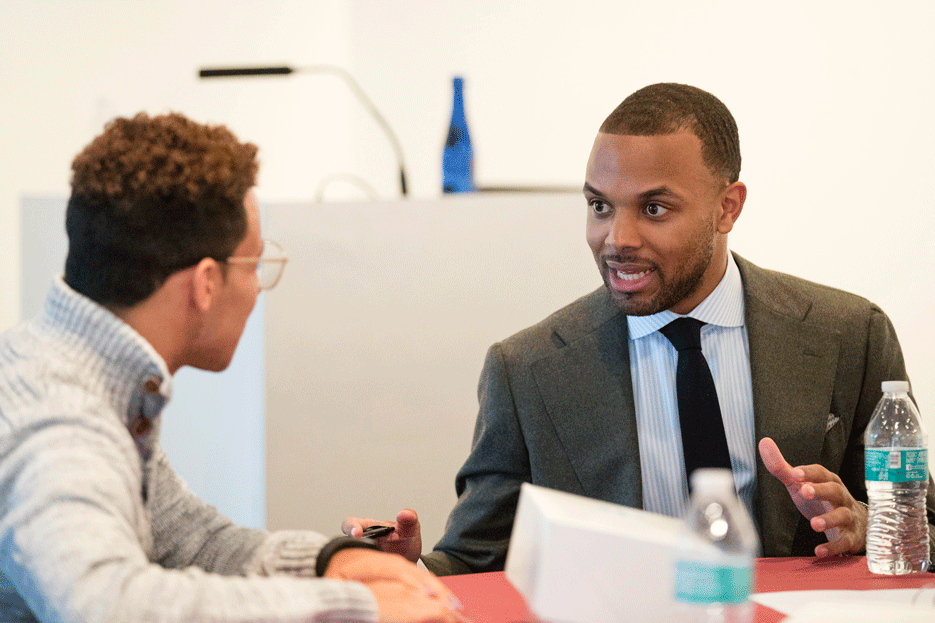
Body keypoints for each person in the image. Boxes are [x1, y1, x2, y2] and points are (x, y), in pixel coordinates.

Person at [344, 82, 935, 575]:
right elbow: (478, 557)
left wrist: (866, 520)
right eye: (600, 205)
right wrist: (409, 566)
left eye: (653, 208)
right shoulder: (527, 371)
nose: (617, 238)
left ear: (728, 207)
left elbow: (921, 522)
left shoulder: (849, 335)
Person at [0, 112, 466, 622]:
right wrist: (353, 607)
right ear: (204, 284)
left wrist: (333, 561)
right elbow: (108, 606)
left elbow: (194, 543)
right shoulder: (60, 421)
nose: (257, 290)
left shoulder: (93, 377)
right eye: (255, 266)